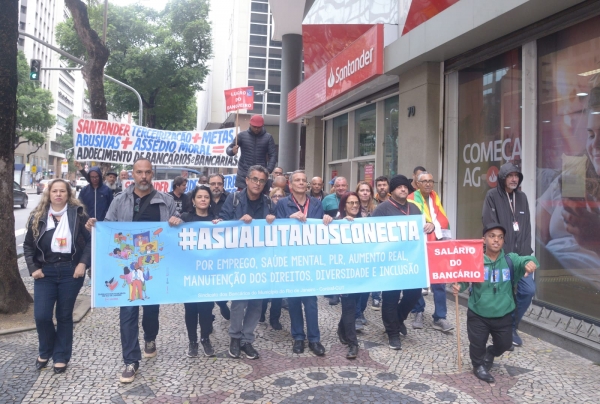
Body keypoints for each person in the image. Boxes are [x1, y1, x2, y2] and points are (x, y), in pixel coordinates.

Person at [85, 158, 182, 383]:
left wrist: (179, 219)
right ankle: (130, 360)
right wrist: (95, 226)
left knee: (150, 310)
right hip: (127, 267)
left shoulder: (165, 201)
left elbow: (177, 227)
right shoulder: (120, 200)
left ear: (152, 174)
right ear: (132, 174)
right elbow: (108, 227)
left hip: (154, 267)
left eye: (148, 172)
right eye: (139, 172)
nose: (144, 177)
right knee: (127, 312)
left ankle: (150, 337)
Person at [452, 223, 538, 383]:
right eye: (492, 236)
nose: (496, 240)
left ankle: (490, 353)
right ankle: (478, 366)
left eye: (500, 237)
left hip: (503, 314)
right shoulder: (475, 259)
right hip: (478, 313)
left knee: (505, 344)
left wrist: (530, 263)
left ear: (504, 241)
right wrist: (459, 285)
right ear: (483, 240)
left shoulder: (510, 260)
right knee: (477, 344)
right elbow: (464, 279)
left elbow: (528, 258)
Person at [23, 179, 91, 374]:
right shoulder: (38, 216)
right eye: (55, 191)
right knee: (42, 316)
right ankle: (46, 350)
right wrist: (33, 268)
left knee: (63, 315)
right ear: (49, 194)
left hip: (71, 271)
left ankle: (60, 356)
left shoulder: (78, 214)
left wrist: (82, 263)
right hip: (45, 272)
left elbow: (89, 242)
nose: (59, 194)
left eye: (63, 191)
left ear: (68, 194)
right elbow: (28, 246)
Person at [218, 165, 275, 359]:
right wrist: (237, 221)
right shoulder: (233, 199)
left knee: (256, 302)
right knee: (239, 301)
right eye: (255, 179)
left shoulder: (268, 201)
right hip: (239, 260)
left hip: (261, 259)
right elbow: (223, 222)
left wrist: (272, 219)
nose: (258, 183)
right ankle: (234, 337)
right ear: (247, 180)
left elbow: (279, 228)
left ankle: (247, 340)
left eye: (262, 181)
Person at [371, 175, 433, 350]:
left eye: (405, 187)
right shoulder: (383, 209)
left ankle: (398, 319)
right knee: (390, 298)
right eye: (399, 187)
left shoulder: (414, 208)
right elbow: (370, 231)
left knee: (413, 295)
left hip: (410, 262)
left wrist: (431, 226)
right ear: (392, 191)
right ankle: (392, 333)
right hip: (389, 262)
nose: (403, 189)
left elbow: (423, 227)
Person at [276, 170, 333, 356]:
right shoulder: (283, 203)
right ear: (290, 185)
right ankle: (298, 337)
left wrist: (327, 219)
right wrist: (288, 220)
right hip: (290, 258)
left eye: (304, 181)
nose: (301, 183)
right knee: (293, 300)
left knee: (310, 300)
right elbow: (275, 229)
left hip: (310, 258)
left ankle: (314, 339)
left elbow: (321, 227)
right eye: (297, 180)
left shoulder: (316, 203)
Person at [483, 162, 534, 348]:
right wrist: (497, 254)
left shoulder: (522, 198)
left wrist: (527, 257)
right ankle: (503, 331)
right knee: (503, 294)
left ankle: (512, 326)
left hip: (520, 257)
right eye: (510, 175)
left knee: (528, 290)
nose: (513, 179)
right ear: (503, 178)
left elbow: (526, 227)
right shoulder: (492, 196)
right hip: (501, 256)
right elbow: (490, 226)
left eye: (516, 176)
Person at [408, 171, 453, 332]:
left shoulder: (435, 197)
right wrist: (428, 224)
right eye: (424, 181)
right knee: (419, 281)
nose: (428, 184)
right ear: (417, 184)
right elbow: (412, 220)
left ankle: (440, 317)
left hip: (437, 245)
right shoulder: (411, 198)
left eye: (430, 181)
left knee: (439, 282)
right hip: (420, 245)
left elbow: (441, 219)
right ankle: (418, 311)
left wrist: (436, 227)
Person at [180, 185, 216, 357]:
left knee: (207, 309)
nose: (203, 200)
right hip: (189, 271)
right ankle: (192, 341)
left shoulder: (216, 219)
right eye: (200, 197)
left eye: (206, 197)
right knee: (191, 309)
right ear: (193, 200)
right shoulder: (185, 218)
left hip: (208, 273)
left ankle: (205, 339)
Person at [334, 191, 363, 359]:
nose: (354, 206)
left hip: (361, 272)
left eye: (356, 203)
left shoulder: (365, 222)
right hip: (344, 273)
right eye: (350, 203)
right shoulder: (337, 222)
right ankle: (353, 343)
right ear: (344, 206)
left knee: (355, 304)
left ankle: (341, 327)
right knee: (349, 306)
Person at [260, 186, 287, 330]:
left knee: (278, 288)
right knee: (265, 286)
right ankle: (261, 312)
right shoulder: (266, 209)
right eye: (275, 196)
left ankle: (274, 318)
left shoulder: (285, 210)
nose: (277, 199)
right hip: (266, 253)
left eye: (280, 196)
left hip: (281, 254)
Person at [205, 173, 232, 321]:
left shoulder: (231, 199)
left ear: (223, 184)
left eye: (219, 183)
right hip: (206, 248)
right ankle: (208, 315)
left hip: (224, 247)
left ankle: (222, 303)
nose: (216, 186)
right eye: (213, 183)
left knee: (222, 281)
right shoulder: (201, 197)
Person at [226, 114, 277, 189]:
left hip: (261, 175)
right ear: (250, 125)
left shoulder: (268, 137)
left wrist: (268, 170)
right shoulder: (241, 136)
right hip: (244, 174)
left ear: (262, 126)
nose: (256, 129)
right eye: (254, 127)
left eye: (259, 127)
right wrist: (232, 151)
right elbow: (228, 149)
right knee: (242, 198)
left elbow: (273, 155)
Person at [354, 181, 378, 318]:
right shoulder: (351, 207)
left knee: (366, 288)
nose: (364, 193)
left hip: (371, 252)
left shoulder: (376, 209)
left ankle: (360, 311)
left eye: (367, 190)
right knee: (357, 286)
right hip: (355, 253)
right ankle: (356, 315)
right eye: (361, 190)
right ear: (357, 193)